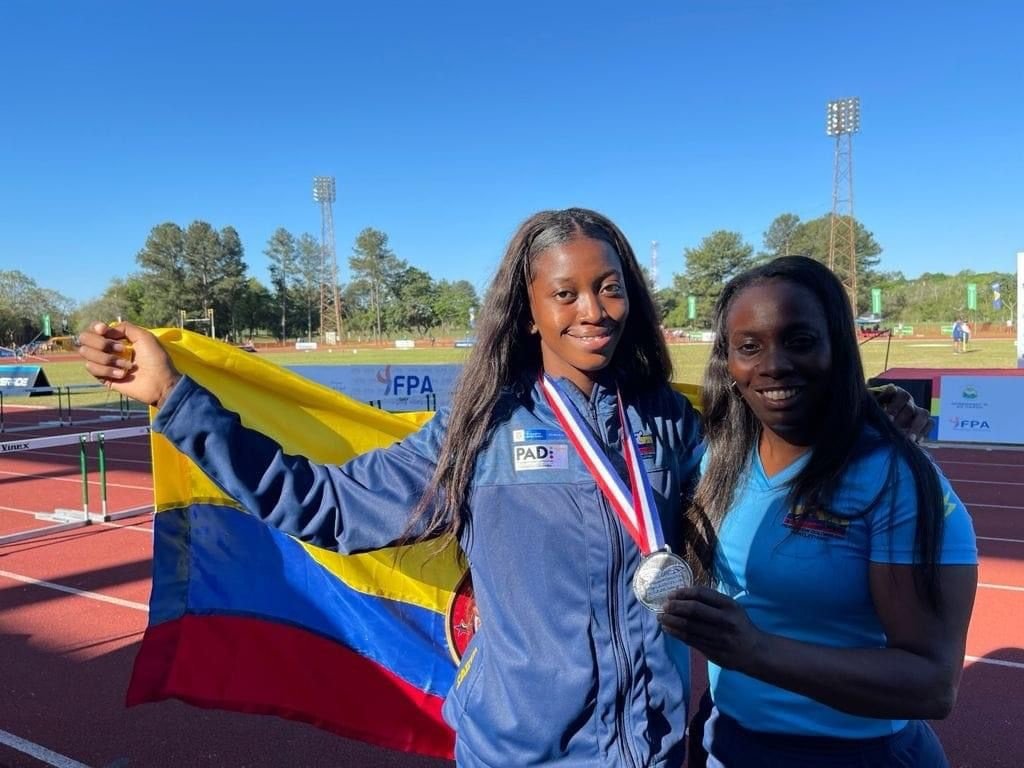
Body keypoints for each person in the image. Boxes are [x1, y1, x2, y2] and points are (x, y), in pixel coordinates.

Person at [78, 211, 930, 767]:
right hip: (525, 755)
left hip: (667, 751)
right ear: (527, 310)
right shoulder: (479, 427)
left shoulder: (669, 422)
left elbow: (764, 441)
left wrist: (856, 410)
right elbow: (324, 505)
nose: (591, 310)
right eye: (564, 293)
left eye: (608, 287)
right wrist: (173, 400)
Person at [659, 256, 978, 767]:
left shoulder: (896, 481)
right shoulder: (717, 461)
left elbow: (932, 685)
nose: (773, 364)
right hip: (725, 737)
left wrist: (756, 651)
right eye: (749, 347)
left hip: (854, 754)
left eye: (800, 341)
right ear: (727, 361)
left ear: (838, 348)